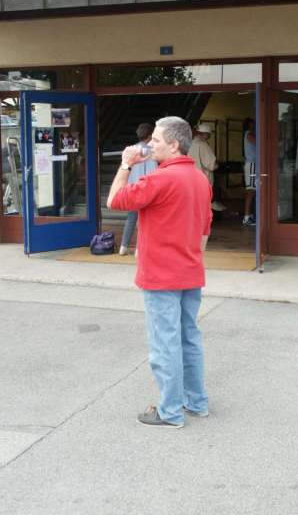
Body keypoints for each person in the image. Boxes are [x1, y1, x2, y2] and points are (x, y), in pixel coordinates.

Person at [107, 116, 212, 428]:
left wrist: (126, 164)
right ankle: (197, 403)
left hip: (161, 275)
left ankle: (170, 412)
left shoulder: (159, 180)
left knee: (165, 343)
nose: (149, 144)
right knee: (189, 338)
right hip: (190, 272)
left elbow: (114, 200)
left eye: (155, 140)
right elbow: (205, 229)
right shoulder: (200, 180)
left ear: (174, 144)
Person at [119, 123, 157, 255]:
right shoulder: (151, 152)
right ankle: (139, 249)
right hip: (144, 189)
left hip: (131, 189)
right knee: (144, 220)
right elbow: (152, 172)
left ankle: (123, 247)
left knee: (131, 218)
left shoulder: (130, 150)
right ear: (150, 135)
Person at [188, 122, 225, 211]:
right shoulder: (203, 145)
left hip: (191, 178)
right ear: (204, 134)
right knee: (203, 204)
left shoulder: (190, 144)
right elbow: (211, 165)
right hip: (203, 179)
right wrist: (217, 164)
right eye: (208, 135)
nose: (209, 137)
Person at [243, 117, 256, 226]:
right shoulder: (249, 134)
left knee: (253, 190)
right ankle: (246, 218)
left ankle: (249, 215)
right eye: (253, 124)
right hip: (251, 165)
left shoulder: (250, 134)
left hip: (253, 164)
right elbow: (259, 143)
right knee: (250, 190)